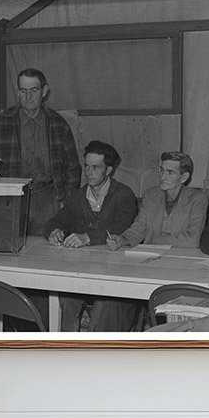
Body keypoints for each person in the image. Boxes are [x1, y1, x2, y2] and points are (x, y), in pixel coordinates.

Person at [0, 68, 81, 236]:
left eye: (34, 90)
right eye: (23, 91)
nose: (28, 96)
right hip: (11, 200)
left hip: (48, 200)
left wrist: (66, 200)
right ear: (18, 92)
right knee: (11, 251)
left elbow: (73, 168)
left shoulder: (59, 124)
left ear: (44, 91)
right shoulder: (0, 124)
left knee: (46, 254)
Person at [45, 141, 138, 331]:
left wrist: (87, 237)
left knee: (106, 304)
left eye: (95, 167)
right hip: (81, 272)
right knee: (65, 297)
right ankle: (66, 349)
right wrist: (52, 232)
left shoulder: (124, 195)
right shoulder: (78, 196)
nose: (88, 172)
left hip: (113, 273)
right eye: (86, 166)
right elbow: (55, 221)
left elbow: (121, 227)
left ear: (109, 170)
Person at [106, 151, 207, 250]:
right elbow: (139, 228)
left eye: (170, 172)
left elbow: (193, 240)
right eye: (162, 170)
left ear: (184, 177)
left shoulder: (197, 199)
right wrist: (122, 239)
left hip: (182, 259)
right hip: (151, 256)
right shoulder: (150, 195)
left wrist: (157, 240)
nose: (163, 177)